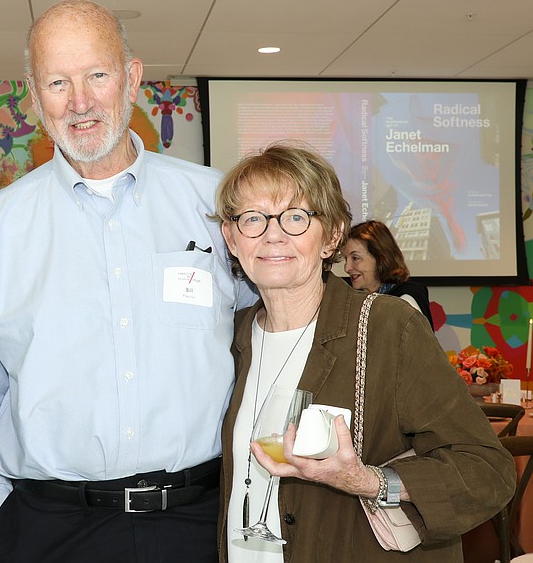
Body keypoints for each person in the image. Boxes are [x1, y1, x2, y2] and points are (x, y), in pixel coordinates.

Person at [0, 0, 255, 562]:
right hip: (49, 531)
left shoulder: (214, 205)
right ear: (33, 94)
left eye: (97, 74)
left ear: (133, 77)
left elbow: (263, 341)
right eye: (57, 81)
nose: (80, 101)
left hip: (199, 524)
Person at [214, 143, 515, 562]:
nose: (273, 234)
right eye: (252, 218)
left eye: (296, 217)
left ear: (332, 236)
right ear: (231, 238)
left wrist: (370, 481)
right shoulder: (229, 337)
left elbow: (488, 471)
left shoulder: (388, 328)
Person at [344, 220, 434, 329]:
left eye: (355, 258)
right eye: (346, 259)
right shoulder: (350, 299)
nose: (347, 268)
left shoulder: (405, 301)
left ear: (380, 258)